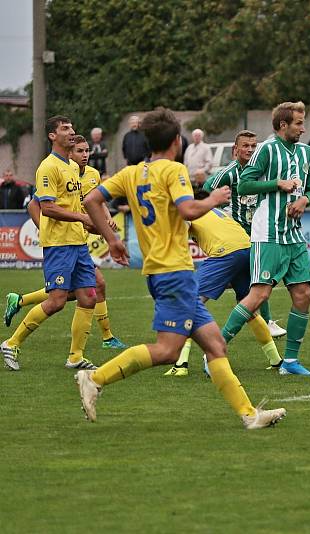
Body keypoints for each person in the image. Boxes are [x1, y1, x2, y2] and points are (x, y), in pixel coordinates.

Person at [78, 107, 285, 429]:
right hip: (172, 272)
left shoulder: (131, 173)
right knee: (167, 350)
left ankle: (250, 415)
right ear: (178, 141)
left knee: (215, 345)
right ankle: (95, 377)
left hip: (166, 272)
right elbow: (188, 209)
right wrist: (214, 199)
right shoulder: (173, 170)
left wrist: (112, 239)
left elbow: (92, 199)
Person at [5, 135, 127, 350]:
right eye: (80, 151)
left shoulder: (92, 175)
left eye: (87, 150)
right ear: (70, 153)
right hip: (62, 242)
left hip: (78, 240)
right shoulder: (57, 168)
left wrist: (105, 219)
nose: (85, 155)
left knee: (88, 290)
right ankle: (14, 337)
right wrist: (46, 227)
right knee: (65, 296)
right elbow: (36, 205)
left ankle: (80, 353)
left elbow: (95, 202)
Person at [223, 101, 310, 376]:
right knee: (259, 295)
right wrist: (277, 183)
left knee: (303, 293)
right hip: (268, 233)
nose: (303, 128)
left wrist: (303, 200)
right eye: (298, 123)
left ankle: (289, 362)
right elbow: (244, 185)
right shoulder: (266, 149)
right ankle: (215, 350)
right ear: (282, 125)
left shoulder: (307, 152)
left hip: (293, 233)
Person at [1, 116, 98, 372]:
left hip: (77, 242)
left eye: (72, 128)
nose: (71, 131)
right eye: (65, 129)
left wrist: (89, 223)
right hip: (59, 244)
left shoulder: (71, 167)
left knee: (89, 296)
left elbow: (73, 205)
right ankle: (11, 343)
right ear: (52, 136)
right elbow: (47, 207)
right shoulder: (48, 167)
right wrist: (80, 218)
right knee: (55, 301)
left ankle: (76, 357)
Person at [162, 195, 282, 377]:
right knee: (248, 308)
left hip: (225, 252)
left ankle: (181, 364)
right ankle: (275, 360)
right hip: (247, 248)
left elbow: (179, 235)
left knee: (189, 303)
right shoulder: (210, 208)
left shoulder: (184, 211)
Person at [202, 130, 286, 338]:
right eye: (245, 146)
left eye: (253, 146)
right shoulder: (229, 172)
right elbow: (206, 189)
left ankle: (263, 323)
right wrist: (220, 208)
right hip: (237, 236)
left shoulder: (258, 169)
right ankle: (265, 322)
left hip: (256, 230)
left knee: (257, 280)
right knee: (259, 278)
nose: (249, 149)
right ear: (235, 150)